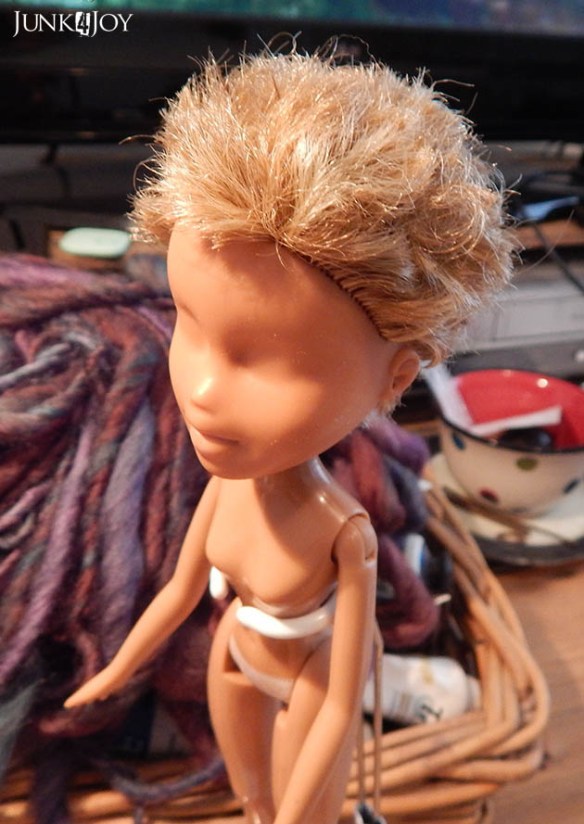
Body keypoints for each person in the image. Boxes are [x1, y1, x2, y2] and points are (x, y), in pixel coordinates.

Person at [65, 49, 514, 823]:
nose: (204, 392)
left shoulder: (346, 532)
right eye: (188, 324)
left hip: (310, 679)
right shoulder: (225, 486)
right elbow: (178, 594)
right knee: (251, 799)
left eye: (269, 364)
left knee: (302, 806)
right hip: (235, 660)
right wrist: (115, 673)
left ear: (394, 378)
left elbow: (340, 701)